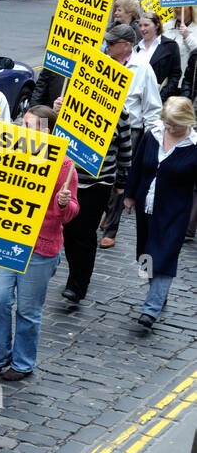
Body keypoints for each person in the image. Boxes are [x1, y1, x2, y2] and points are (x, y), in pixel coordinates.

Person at [0, 105, 79, 382]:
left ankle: (23, 362)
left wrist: (63, 203)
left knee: (27, 310)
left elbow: (71, 211)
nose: (23, 130)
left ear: (46, 131)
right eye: (22, 124)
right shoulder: (6, 156)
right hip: (4, 241)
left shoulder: (63, 166)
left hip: (40, 248)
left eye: (30, 125)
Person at [59, 25, 135, 306]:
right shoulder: (69, 106)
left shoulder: (121, 113)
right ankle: (74, 274)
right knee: (68, 231)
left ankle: (78, 284)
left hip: (99, 182)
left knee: (84, 233)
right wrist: (59, 112)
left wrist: (122, 184)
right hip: (70, 179)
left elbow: (125, 150)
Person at [123, 96, 197, 328]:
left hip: (175, 210)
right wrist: (129, 195)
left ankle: (150, 309)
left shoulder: (194, 147)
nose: (169, 127)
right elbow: (137, 165)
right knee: (145, 255)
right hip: (146, 205)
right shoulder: (152, 135)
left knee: (164, 255)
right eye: (167, 122)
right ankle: (157, 291)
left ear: (187, 121)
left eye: (174, 124)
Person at [99, 23, 160, 249]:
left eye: (111, 44)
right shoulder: (102, 63)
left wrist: (153, 141)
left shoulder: (142, 69)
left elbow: (152, 108)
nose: (107, 46)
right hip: (99, 126)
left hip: (129, 130)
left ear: (126, 46)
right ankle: (107, 210)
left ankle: (111, 228)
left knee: (119, 178)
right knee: (99, 174)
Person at [135, 12, 183, 100]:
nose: (142, 29)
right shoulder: (136, 48)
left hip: (158, 100)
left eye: (146, 25)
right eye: (140, 25)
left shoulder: (170, 46)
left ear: (157, 25)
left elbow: (175, 75)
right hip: (136, 98)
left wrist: (162, 96)